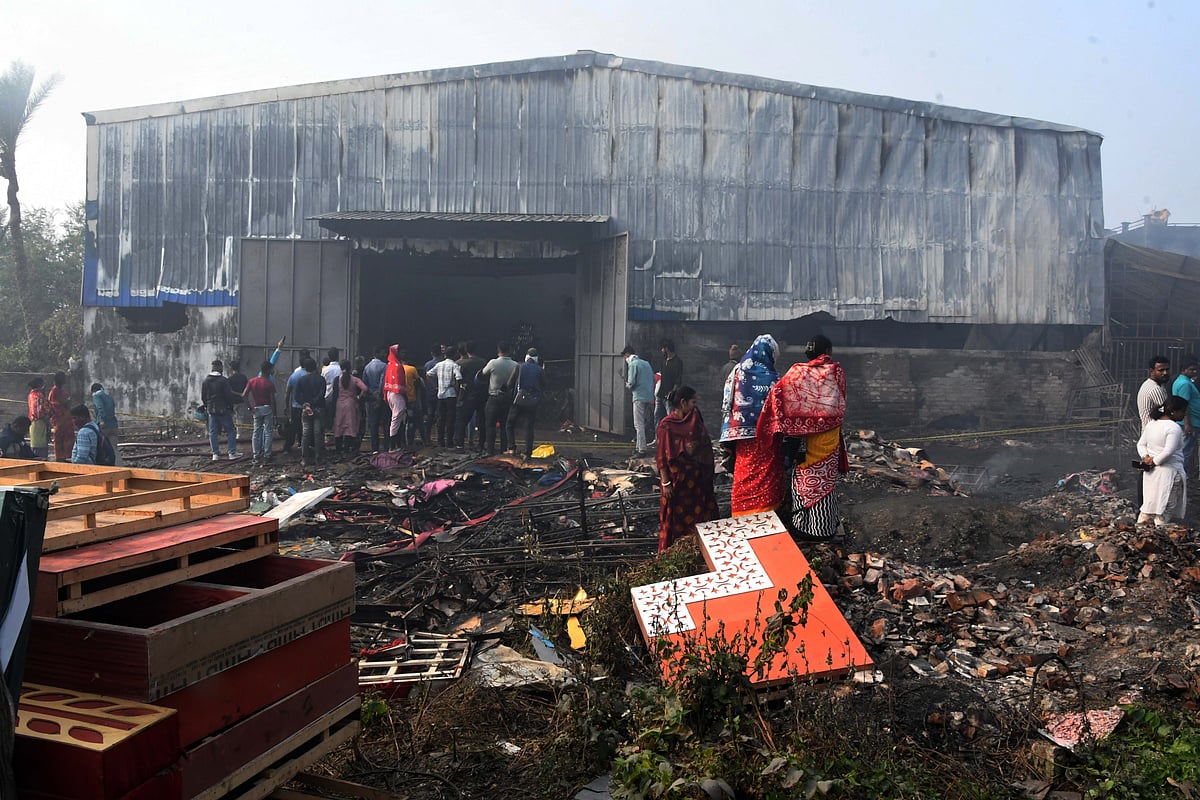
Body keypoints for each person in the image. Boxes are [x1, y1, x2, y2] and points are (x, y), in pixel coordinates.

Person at [755, 335, 848, 540]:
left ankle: (803, 527)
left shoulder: (797, 372)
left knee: (805, 479)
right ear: (828, 352)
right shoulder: (836, 372)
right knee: (825, 482)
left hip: (803, 437)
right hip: (827, 437)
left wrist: (784, 420)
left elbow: (777, 392)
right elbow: (841, 401)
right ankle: (823, 528)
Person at [720, 334, 782, 516]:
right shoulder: (772, 377)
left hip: (741, 438)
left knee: (744, 471)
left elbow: (728, 404)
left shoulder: (736, 373)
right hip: (765, 439)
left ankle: (741, 513)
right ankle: (766, 517)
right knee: (765, 475)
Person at [655, 386, 719, 552]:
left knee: (700, 516)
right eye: (693, 402)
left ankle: (700, 550)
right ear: (683, 403)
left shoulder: (695, 421)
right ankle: (673, 552)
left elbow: (704, 446)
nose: (695, 406)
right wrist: (665, 483)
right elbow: (662, 457)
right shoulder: (666, 426)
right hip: (677, 483)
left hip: (697, 482)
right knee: (674, 518)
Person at [1137, 395, 1188, 527]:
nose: (1184, 414)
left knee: (1149, 503)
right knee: (1164, 507)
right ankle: (1159, 532)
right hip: (1169, 472)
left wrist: (1146, 457)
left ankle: (1140, 531)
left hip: (1151, 473)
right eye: (1183, 411)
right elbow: (1168, 451)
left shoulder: (1152, 424)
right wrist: (1153, 461)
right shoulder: (1173, 428)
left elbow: (1140, 445)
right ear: (1174, 412)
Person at [481, 341, 519, 455]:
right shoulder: (515, 365)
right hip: (507, 398)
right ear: (510, 350)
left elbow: (483, 374)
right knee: (504, 425)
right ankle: (503, 450)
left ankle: (490, 450)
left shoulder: (493, 363)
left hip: (493, 397)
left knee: (490, 425)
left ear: (498, 350)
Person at [507, 348, 544, 458]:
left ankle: (512, 448)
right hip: (532, 401)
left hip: (518, 400)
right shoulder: (540, 370)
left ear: (526, 356)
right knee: (529, 427)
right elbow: (545, 383)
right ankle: (528, 453)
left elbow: (510, 383)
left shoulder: (519, 366)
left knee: (509, 424)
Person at [202, 359, 240, 461]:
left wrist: (208, 406)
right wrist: (230, 407)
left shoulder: (206, 381)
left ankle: (215, 454)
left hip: (211, 410)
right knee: (231, 430)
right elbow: (228, 396)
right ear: (219, 367)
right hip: (223, 410)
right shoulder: (223, 380)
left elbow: (203, 397)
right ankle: (232, 453)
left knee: (213, 432)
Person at [621, 344, 655, 456]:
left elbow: (631, 383)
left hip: (638, 396)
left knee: (638, 424)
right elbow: (653, 378)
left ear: (627, 355)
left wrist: (626, 384)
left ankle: (641, 449)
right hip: (649, 396)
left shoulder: (633, 365)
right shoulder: (646, 363)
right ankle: (638, 447)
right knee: (644, 422)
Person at [294, 357, 327, 467]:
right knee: (318, 434)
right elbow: (321, 395)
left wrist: (305, 405)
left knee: (306, 434)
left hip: (305, 410)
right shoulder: (321, 379)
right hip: (318, 409)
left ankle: (305, 458)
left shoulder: (301, 380)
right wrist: (312, 404)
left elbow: (296, 396)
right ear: (315, 366)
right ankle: (318, 458)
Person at [243, 361, 278, 464]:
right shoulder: (269, 383)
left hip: (256, 408)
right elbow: (272, 400)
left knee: (256, 432)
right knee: (268, 432)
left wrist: (249, 408)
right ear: (268, 370)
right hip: (267, 408)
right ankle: (267, 455)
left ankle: (256, 455)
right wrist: (274, 414)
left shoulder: (252, 381)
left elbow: (244, 395)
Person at [455, 341, 486, 451]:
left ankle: (460, 444)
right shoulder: (483, 362)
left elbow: (458, 380)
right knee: (482, 421)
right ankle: (481, 444)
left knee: (463, 420)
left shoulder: (461, 364)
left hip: (467, 395)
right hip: (482, 395)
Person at [332, 359, 368, 453]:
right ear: (350, 367)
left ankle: (338, 448)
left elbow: (334, 394)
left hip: (339, 404)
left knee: (339, 425)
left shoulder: (337, 379)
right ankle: (347, 447)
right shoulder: (355, 379)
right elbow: (365, 388)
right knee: (350, 425)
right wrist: (359, 397)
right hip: (351, 404)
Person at [1172, 359, 1200, 477]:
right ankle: (1181, 476)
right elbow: (1184, 404)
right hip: (1189, 422)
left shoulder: (1182, 381)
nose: (1194, 372)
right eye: (1191, 369)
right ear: (1183, 370)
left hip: (1187, 421)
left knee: (1183, 449)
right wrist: (1188, 423)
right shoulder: (1185, 384)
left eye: (1195, 369)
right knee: (1185, 451)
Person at [431, 346, 463, 447]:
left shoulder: (439, 364)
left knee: (441, 419)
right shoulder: (454, 365)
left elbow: (428, 374)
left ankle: (440, 441)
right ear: (454, 355)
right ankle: (449, 441)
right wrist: (458, 390)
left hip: (440, 394)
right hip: (451, 394)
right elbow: (458, 378)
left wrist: (434, 386)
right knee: (450, 419)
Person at [282, 348, 311, 454]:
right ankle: (307, 448)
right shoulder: (310, 376)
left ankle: (287, 447)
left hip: (295, 406)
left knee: (294, 427)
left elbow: (287, 392)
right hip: (308, 406)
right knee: (307, 429)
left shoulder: (294, 375)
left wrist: (286, 406)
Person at [362, 345, 388, 452]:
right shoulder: (384, 366)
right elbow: (383, 382)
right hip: (381, 398)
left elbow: (364, 384)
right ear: (376, 353)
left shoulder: (367, 367)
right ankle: (387, 447)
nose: (384, 355)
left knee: (373, 424)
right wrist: (379, 395)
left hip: (371, 398)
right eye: (382, 353)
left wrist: (371, 394)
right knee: (386, 423)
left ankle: (374, 448)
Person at [1138, 355, 1172, 431]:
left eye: (1167, 369)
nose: (1165, 373)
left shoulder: (1152, 384)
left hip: (1151, 433)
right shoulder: (1155, 389)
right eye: (1161, 370)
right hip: (1154, 434)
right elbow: (1167, 413)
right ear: (1151, 371)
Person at [383, 345, 407, 451]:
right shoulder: (397, 366)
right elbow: (400, 382)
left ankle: (397, 444)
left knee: (398, 418)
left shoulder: (390, 365)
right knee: (397, 418)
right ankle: (392, 446)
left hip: (390, 394)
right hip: (397, 394)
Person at [655, 338, 683, 428]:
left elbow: (678, 380)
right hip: (661, 393)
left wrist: (672, 392)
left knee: (670, 417)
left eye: (662, 348)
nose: (661, 350)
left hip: (669, 394)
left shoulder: (677, 362)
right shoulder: (663, 361)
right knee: (657, 416)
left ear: (666, 348)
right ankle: (658, 437)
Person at [90, 382, 120, 464]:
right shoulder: (109, 397)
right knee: (114, 447)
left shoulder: (97, 396)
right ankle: (118, 465)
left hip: (104, 425)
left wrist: (101, 420)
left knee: (101, 447)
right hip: (113, 424)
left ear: (93, 390)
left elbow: (100, 408)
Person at [48, 371, 74, 462]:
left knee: (68, 443)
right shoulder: (54, 392)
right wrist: (65, 403)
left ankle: (68, 458)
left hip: (67, 421)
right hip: (59, 421)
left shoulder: (63, 392)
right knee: (59, 443)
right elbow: (54, 406)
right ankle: (60, 460)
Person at [27, 377, 50, 459]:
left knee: (35, 444)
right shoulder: (39, 396)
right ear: (40, 385)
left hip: (33, 423)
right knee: (40, 446)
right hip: (40, 423)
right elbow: (41, 411)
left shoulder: (31, 395)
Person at [227, 360, 249, 429]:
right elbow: (247, 388)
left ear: (231, 368)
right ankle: (239, 434)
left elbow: (228, 391)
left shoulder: (229, 379)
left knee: (232, 417)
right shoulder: (243, 377)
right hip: (242, 400)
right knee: (240, 418)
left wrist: (238, 394)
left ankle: (232, 432)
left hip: (232, 401)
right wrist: (243, 395)